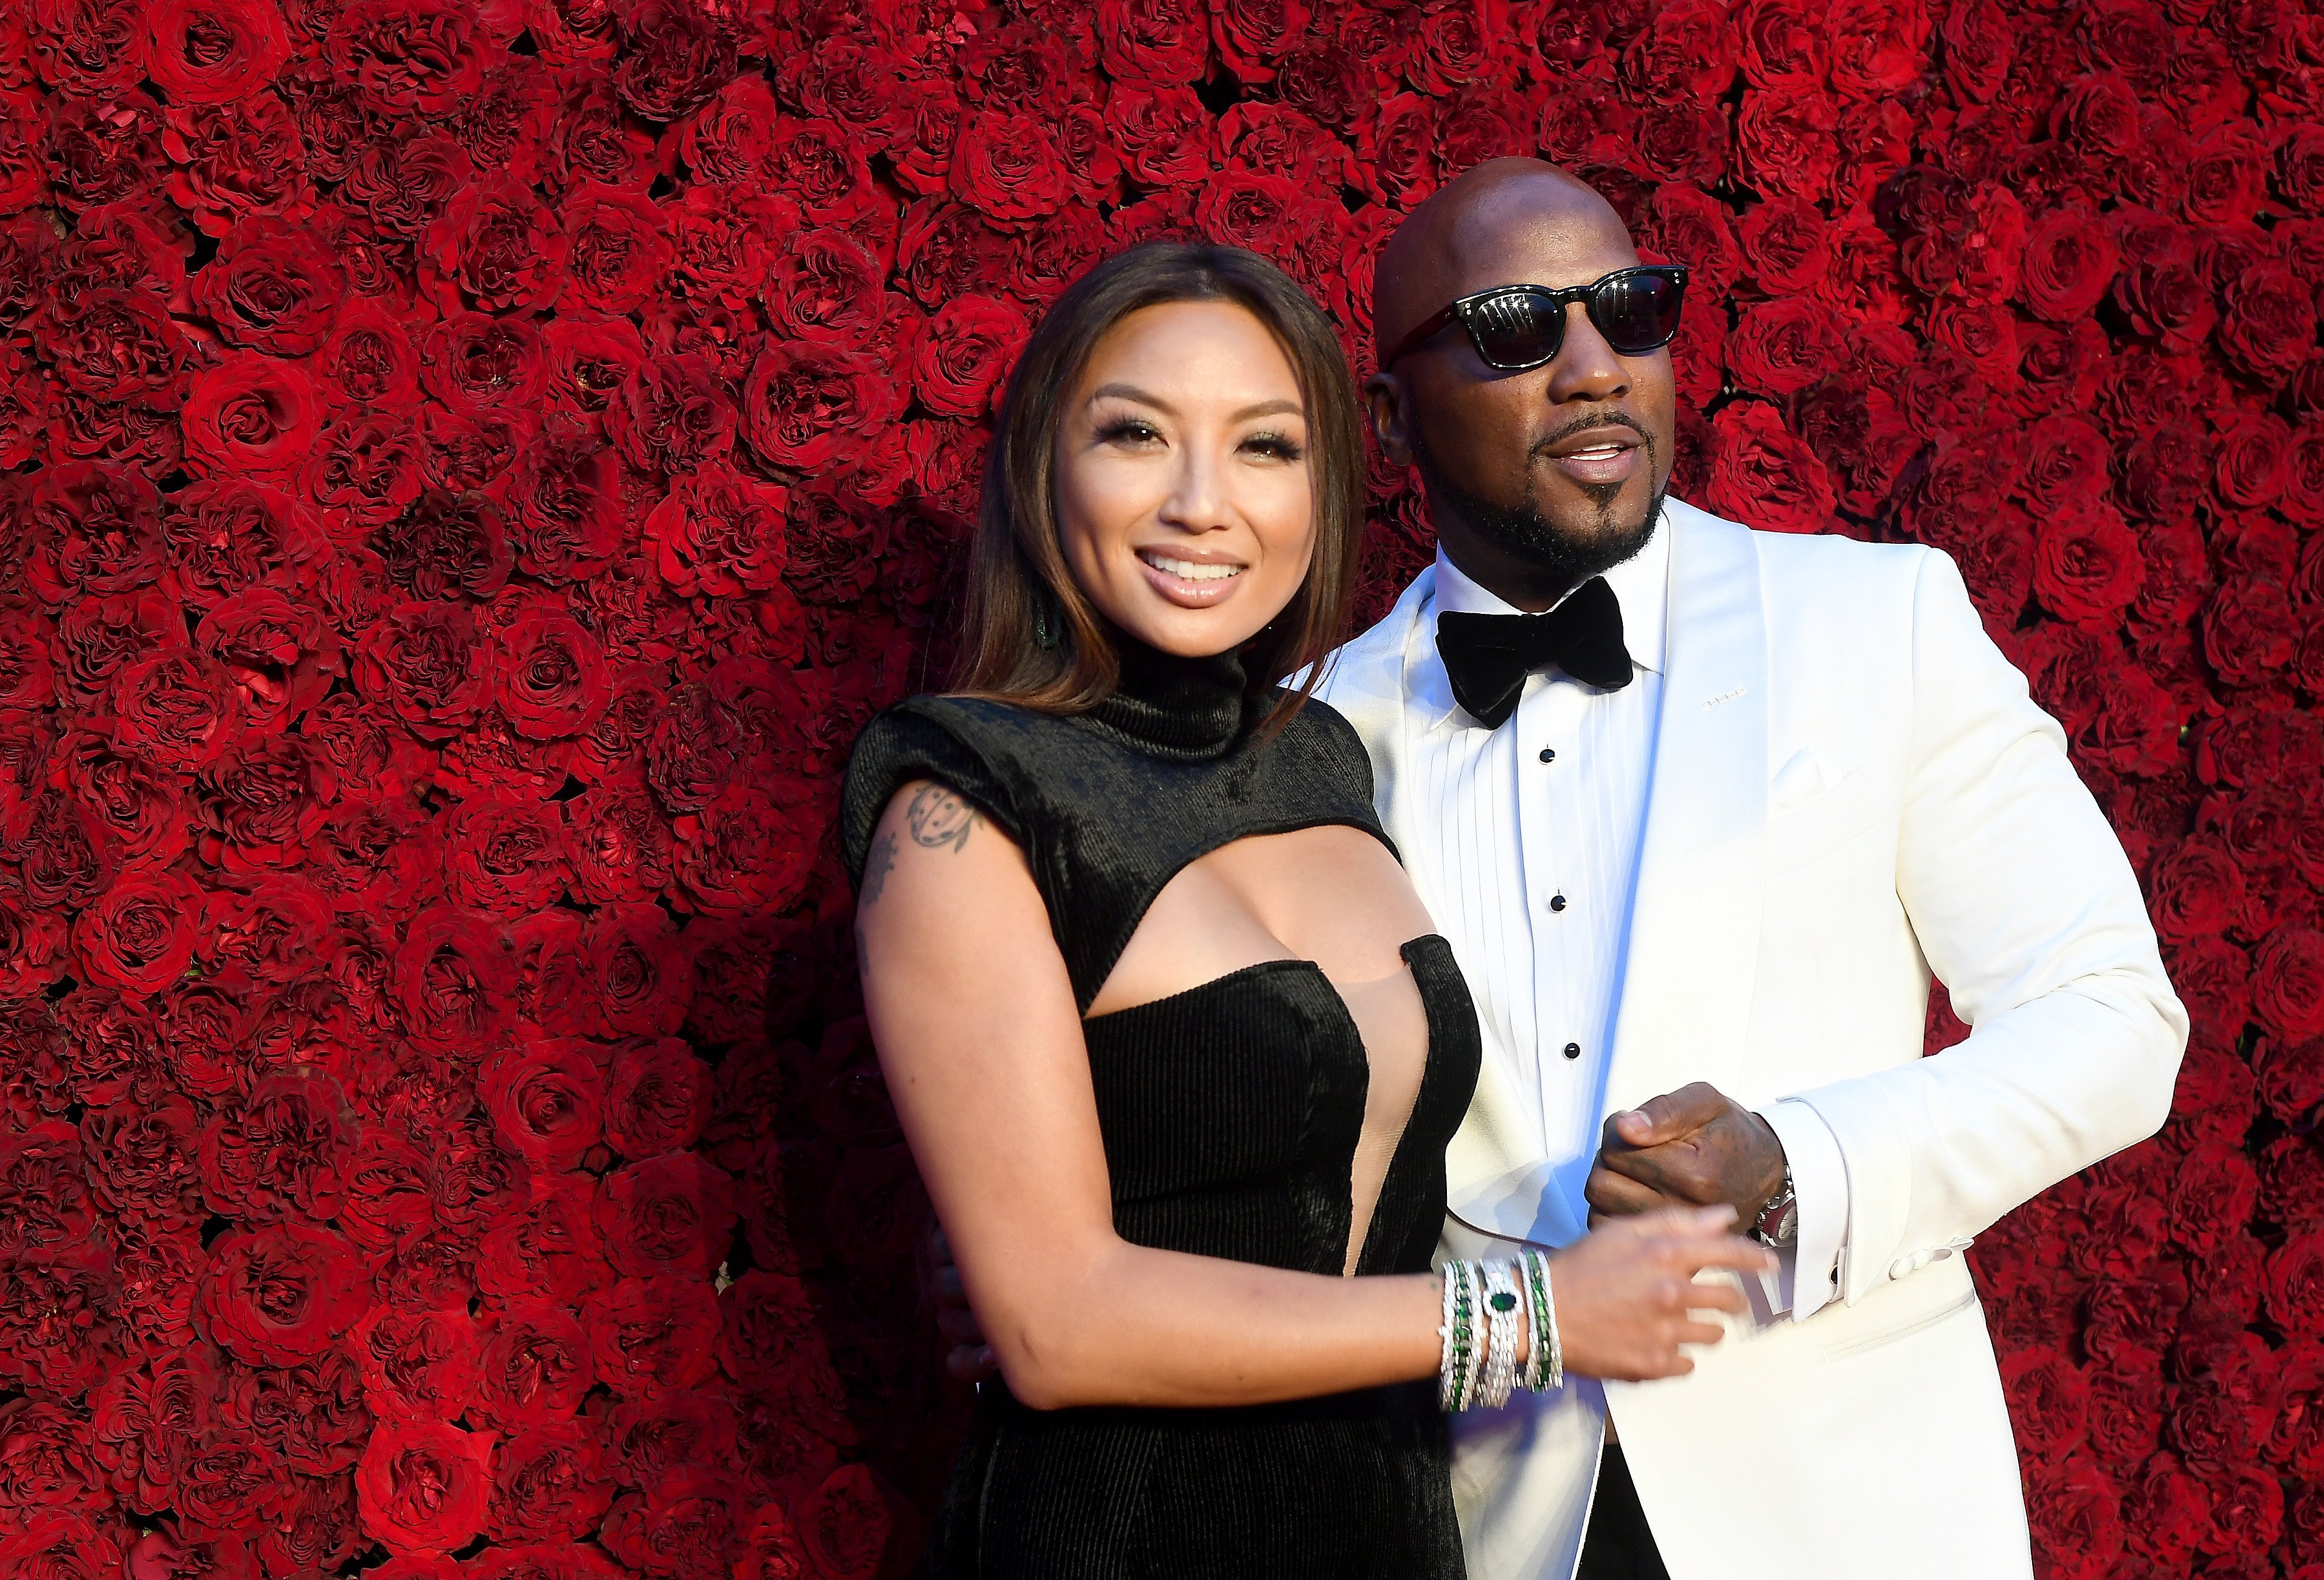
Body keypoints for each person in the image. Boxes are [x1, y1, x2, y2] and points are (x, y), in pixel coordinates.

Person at [840, 240, 1772, 1579]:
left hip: (1392, 1531)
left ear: (1325, 484)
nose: (1202, 505)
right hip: (1120, 1536)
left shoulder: (1324, 756)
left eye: (1265, 448)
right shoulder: (964, 803)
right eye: (1135, 436)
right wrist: (1535, 1319)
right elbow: (1053, 1327)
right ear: (1045, 466)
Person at [1322, 158, 2187, 1578]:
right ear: (1388, 417)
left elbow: (2112, 1019)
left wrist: (1796, 1164)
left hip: (1846, 1515)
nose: (1593, 369)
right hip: (1471, 1523)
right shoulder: (1314, 739)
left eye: (1628, 310)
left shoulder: (1879, 623)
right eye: (1513, 328)